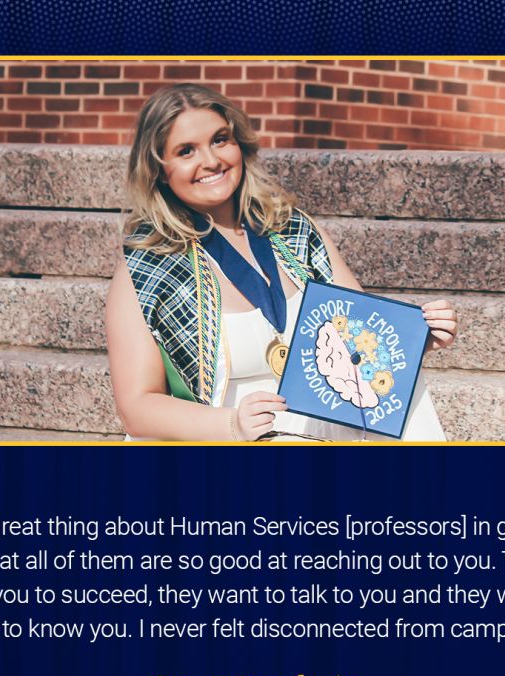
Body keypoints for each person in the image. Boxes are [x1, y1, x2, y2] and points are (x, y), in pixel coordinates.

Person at [106, 84, 457, 441]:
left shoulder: (292, 229)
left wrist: (415, 337)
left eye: (220, 140)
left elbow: (361, 330)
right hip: (224, 431)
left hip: (314, 413)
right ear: (160, 170)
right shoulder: (149, 264)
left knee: (403, 391)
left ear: (239, 144)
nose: (210, 161)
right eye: (186, 151)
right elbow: (136, 406)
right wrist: (232, 424)